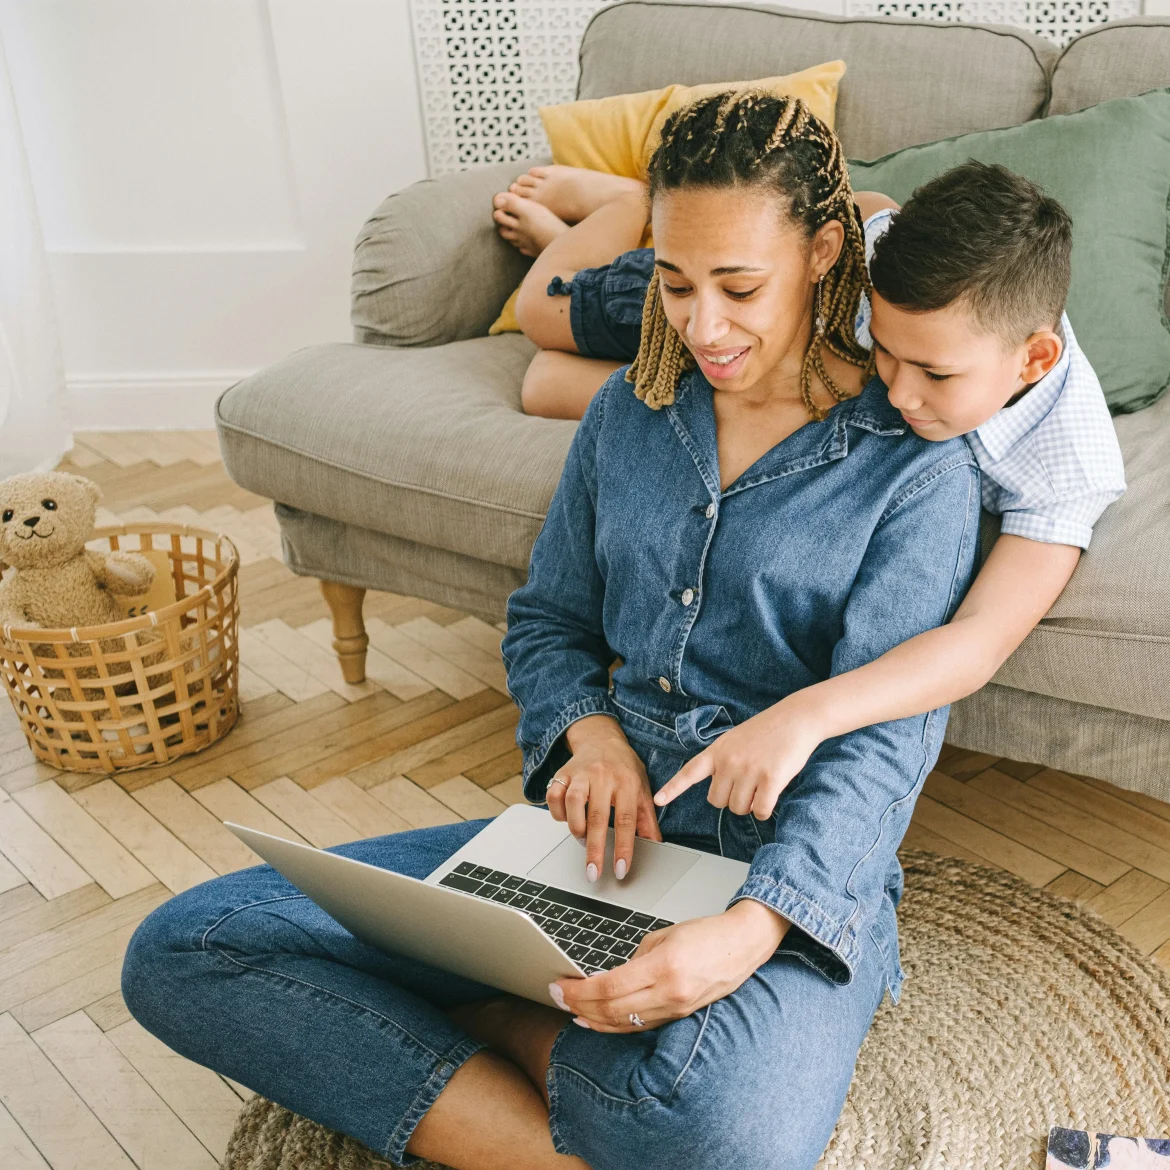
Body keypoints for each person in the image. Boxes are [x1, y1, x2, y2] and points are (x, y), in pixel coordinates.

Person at [121, 91, 982, 1170]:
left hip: (789, 869)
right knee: (187, 948)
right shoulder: (632, 410)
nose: (702, 326)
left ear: (820, 250)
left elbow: (883, 740)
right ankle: (564, 1125)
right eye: (673, 282)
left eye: (739, 286)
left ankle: (497, 1035)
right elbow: (549, 620)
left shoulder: (915, 468)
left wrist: (754, 929)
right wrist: (588, 732)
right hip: (604, 855)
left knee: (726, 1131)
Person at [496, 158, 1125, 821]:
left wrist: (805, 715)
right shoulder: (869, 258)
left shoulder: (1070, 465)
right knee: (541, 314)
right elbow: (867, 204)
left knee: (543, 385)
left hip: (744, 328)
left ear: (1034, 360)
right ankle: (631, 209)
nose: (898, 393)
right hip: (743, 316)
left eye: (936, 375)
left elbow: (976, 643)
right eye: (885, 352)